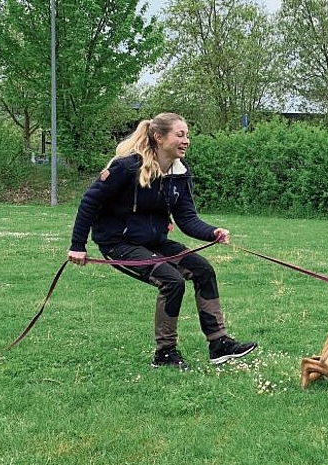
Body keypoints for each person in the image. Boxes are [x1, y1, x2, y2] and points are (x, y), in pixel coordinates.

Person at [68, 112, 256, 371]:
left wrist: (213, 232)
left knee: (203, 269)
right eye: (180, 134)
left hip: (155, 242)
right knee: (172, 280)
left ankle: (219, 343)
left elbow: (187, 219)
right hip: (118, 244)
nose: (186, 140)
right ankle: (165, 353)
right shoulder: (127, 167)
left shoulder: (180, 173)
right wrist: (77, 245)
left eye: (187, 135)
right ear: (159, 137)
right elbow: (90, 202)